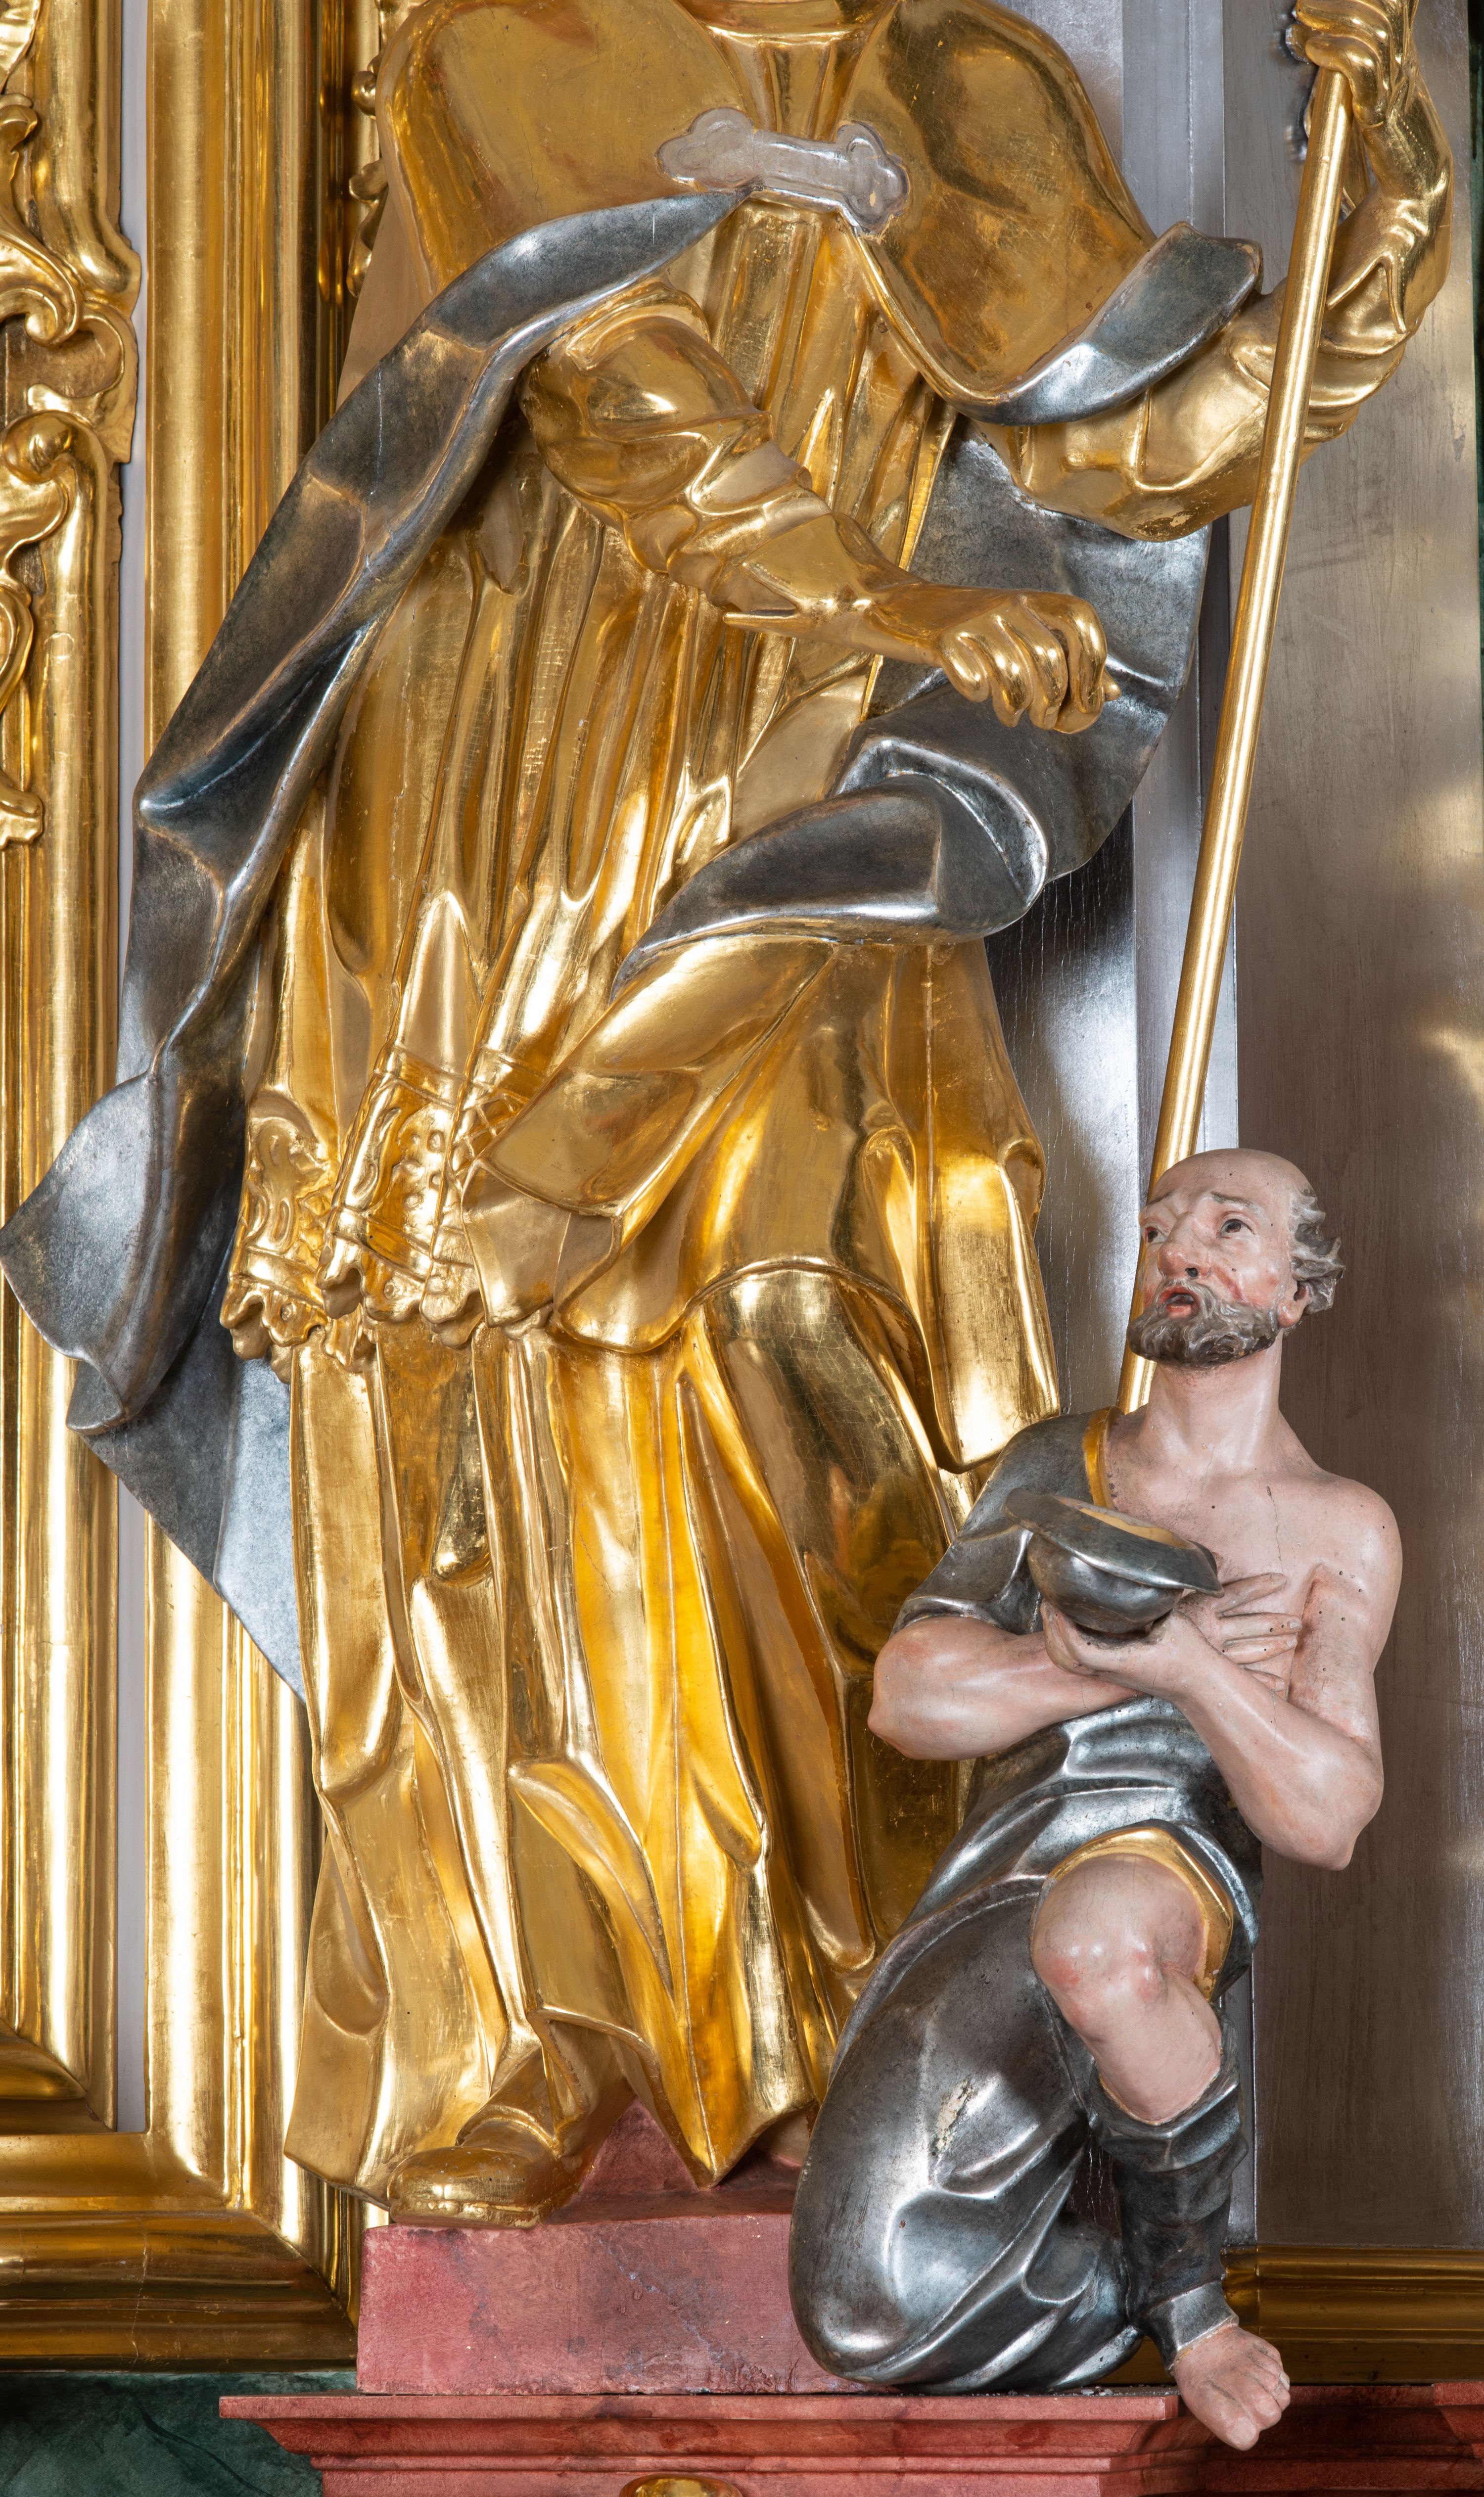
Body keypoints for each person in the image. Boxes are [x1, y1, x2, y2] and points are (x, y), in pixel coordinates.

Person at [0, 2, 1443, 2222]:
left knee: (818, 1313)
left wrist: (1376, 197)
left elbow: (1143, 441)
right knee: (471, 1380)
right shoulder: (513, 47)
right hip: (505, 817)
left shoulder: (966, 79)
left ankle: (852, 1990)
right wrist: (891, 593)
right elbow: (623, 389)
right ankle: (531, 2022)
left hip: (823, 816)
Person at [789, 1149, 1401, 2451]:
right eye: (1164, 1228)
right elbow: (908, 1697)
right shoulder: (1053, 1469)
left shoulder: (1336, 1527)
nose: (1182, 1252)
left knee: (1102, 1938)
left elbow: (1328, 1815)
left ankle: (1192, 2301)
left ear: (1300, 1291)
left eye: (1230, 1230)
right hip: (998, 1879)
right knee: (860, 2307)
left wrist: (1190, 1674)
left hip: (1167, 1860)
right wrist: (1098, 1663)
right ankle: (1110, 2273)